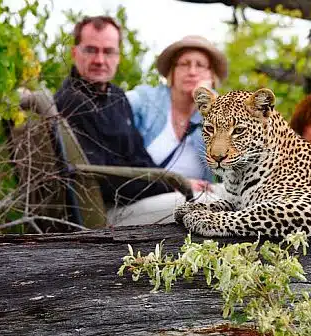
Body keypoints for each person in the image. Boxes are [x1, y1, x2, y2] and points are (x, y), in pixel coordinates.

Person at [54, 15, 175, 209]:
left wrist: (173, 181)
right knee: (198, 205)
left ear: (118, 57)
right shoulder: (70, 101)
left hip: (138, 199)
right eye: (91, 50)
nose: (100, 60)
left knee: (211, 196)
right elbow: (102, 180)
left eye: (108, 52)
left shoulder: (117, 96)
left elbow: (139, 157)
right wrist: (170, 185)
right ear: (74, 53)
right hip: (109, 212)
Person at [126, 35, 228, 191]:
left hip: (195, 204)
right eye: (185, 64)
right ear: (172, 72)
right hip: (142, 196)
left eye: (200, 65)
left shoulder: (217, 113)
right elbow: (111, 108)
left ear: (211, 76)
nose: (192, 72)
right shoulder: (146, 99)